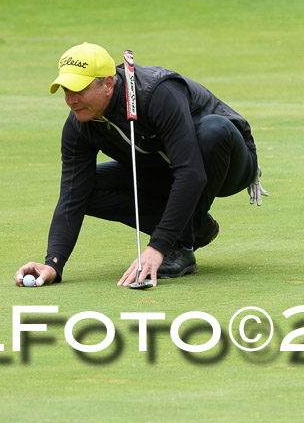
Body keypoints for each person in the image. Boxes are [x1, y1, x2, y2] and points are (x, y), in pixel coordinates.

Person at [14, 42, 268, 288]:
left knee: (214, 130)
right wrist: (54, 263)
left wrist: (158, 246)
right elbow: (72, 196)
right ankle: (196, 228)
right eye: (66, 90)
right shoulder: (79, 126)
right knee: (86, 188)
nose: (70, 100)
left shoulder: (156, 93)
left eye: (79, 90)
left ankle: (181, 245)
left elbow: (191, 172)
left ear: (108, 84)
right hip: (165, 172)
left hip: (227, 163)